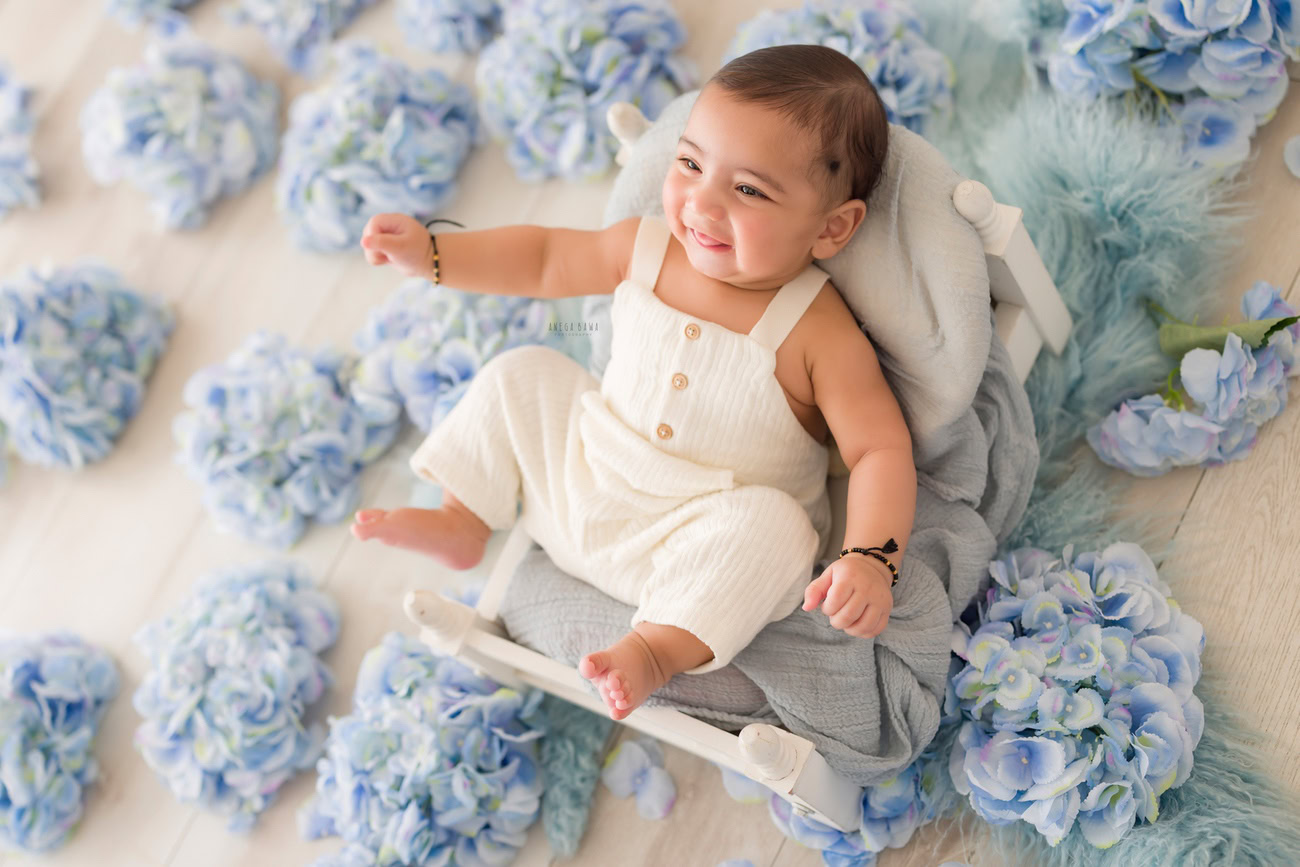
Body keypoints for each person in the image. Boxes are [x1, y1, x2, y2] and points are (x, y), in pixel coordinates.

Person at [351, 44, 918, 721]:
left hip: (696, 538)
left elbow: (878, 449)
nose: (702, 203)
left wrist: (870, 559)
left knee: (781, 529)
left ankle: (651, 650)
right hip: (583, 480)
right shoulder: (645, 247)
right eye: (690, 165)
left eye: (748, 190)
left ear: (832, 227)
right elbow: (543, 257)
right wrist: (434, 253)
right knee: (524, 372)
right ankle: (463, 517)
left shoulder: (817, 330)